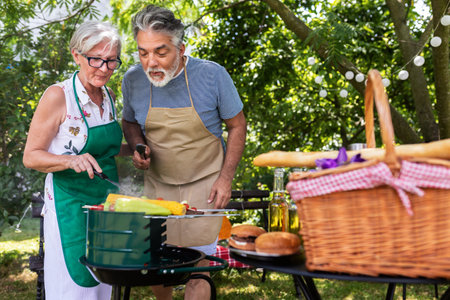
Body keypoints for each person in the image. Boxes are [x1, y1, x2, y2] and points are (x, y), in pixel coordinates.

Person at [122, 5, 246, 299]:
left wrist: (225, 178)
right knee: (157, 264)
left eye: (160, 52)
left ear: (181, 48)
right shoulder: (133, 80)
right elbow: (128, 121)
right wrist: (138, 144)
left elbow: (237, 126)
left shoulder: (212, 75)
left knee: (199, 265)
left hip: (206, 184)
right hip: (158, 186)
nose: (150, 61)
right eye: (143, 52)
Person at [23, 21, 122, 299]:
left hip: (105, 204)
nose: (104, 68)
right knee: (75, 287)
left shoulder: (109, 96)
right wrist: (70, 161)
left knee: (104, 283)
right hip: (70, 204)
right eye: (95, 59)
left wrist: (135, 150)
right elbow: (31, 156)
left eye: (111, 61)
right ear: (76, 55)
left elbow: (106, 150)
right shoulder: (58, 96)